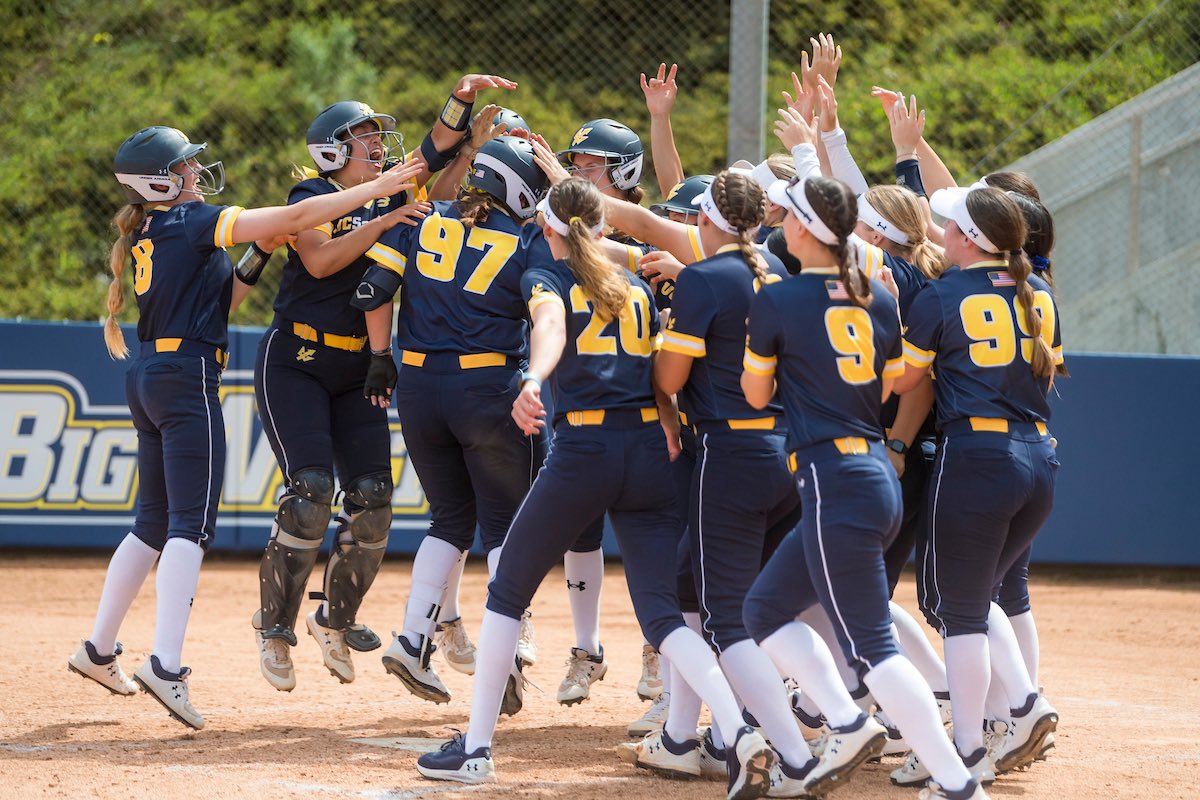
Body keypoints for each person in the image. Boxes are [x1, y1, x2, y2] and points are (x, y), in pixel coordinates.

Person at [415, 177, 775, 800]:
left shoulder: (551, 278)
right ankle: (739, 730)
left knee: (506, 592)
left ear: (546, 228)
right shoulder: (633, 283)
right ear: (604, 228)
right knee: (665, 611)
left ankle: (475, 750)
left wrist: (533, 377)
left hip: (586, 449)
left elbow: (550, 326)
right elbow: (664, 371)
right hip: (650, 452)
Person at [68, 125, 417, 729]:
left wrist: (262, 250)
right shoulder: (191, 222)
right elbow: (304, 211)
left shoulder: (154, 229)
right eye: (184, 169)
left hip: (152, 371)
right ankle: (166, 666)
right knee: (189, 527)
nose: (195, 174)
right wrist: (381, 189)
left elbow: (226, 300)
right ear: (160, 181)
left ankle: (99, 650)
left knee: (151, 524)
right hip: (185, 376)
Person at [251, 78, 516, 692]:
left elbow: (438, 151)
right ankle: (275, 628)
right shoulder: (310, 194)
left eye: (376, 137)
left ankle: (334, 621)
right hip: (296, 359)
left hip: (359, 366)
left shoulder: (392, 182)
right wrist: (391, 214)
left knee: (372, 502)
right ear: (330, 152)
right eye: (362, 138)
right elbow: (320, 260)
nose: (376, 146)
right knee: (312, 489)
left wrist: (465, 114)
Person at [740, 174, 989, 800]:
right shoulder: (877, 296)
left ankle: (949, 777)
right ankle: (850, 719)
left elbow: (755, 394)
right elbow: (891, 385)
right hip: (874, 471)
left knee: (874, 642)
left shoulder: (778, 298)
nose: (785, 225)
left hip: (833, 478)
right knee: (765, 609)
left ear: (801, 229)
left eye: (791, 217)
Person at [350, 135, 550, 706]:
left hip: (417, 388)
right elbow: (545, 311)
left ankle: (413, 637)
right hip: (486, 388)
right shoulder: (526, 237)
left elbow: (373, 293)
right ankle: (504, 656)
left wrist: (380, 357)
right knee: (507, 527)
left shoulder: (421, 215)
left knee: (449, 519)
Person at [894, 184, 1063, 780]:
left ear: (968, 238)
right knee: (980, 597)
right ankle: (1005, 714)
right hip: (1037, 456)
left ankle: (977, 742)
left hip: (977, 457)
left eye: (951, 226)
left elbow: (904, 381)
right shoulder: (1038, 291)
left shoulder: (940, 295)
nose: (942, 233)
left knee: (957, 605)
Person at [555, 117, 664, 707]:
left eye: (591, 165)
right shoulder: (567, 234)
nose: (579, 174)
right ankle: (586, 648)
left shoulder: (650, 236)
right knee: (579, 528)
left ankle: (657, 646)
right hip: (584, 403)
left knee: (654, 536)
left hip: (647, 409)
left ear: (623, 171)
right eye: (575, 165)